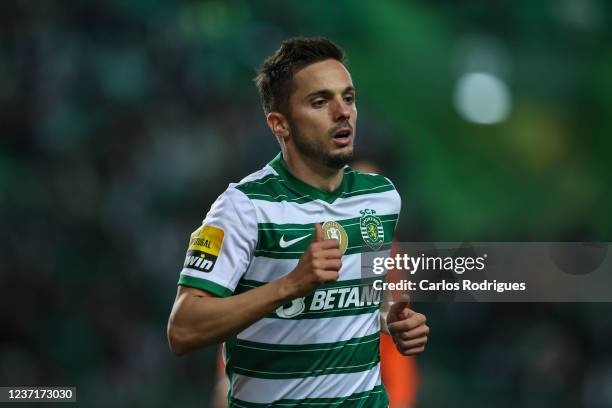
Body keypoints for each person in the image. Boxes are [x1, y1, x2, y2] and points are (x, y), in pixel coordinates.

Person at [167, 37, 429, 407]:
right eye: (320, 101)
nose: (342, 112)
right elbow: (183, 328)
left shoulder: (381, 199)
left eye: (348, 98)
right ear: (280, 125)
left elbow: (367, 298)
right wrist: (291, 284)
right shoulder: (242, 208)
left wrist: (392, 320)